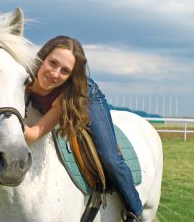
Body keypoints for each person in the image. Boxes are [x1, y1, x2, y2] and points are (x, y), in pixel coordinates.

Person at [24, 36, 143, 222]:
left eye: (65, 71)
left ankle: (135, 210)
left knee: (110, 158)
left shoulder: (65, 97)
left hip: (85, 95)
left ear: (71, 76)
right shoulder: (23, 76)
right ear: (42, 58)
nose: (55, 74)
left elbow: (32, 135)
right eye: (52, 63)